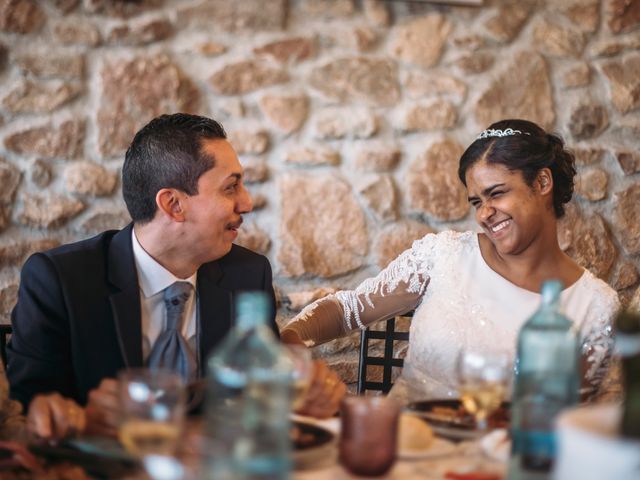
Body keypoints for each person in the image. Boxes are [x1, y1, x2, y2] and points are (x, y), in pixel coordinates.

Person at [7, 113, 345, 436]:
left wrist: (300, 397)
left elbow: (263, 392)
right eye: (231, 188)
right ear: (173, 205)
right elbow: (27, 410)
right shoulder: (60, 280)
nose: (246, 203)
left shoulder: (248, 275)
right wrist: (75, 420)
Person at [282, 119, 620, 403]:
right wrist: (288, 348)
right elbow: (347, 310)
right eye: (476, 201)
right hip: (404, 448)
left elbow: (573, 422)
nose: (485, 214)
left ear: (542, 182)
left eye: (497, 193)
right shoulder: (442, 256)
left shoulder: (594, 304)